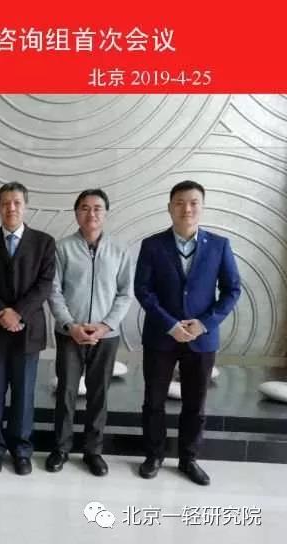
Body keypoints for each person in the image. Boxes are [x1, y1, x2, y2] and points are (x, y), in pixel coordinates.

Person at [135, 180, 240, 486]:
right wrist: (171, 324)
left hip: (202, 338)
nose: (187, 209)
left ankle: (188, 459)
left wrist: (204, 323)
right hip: (161, 336)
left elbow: (232, 290)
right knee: (154, 401)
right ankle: (154, 455)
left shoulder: (219, 245)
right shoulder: (152, 245)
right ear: (170, 208)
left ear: (202, 207)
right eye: (180, 203)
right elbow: (143, 290)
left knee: (196, 403)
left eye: (193, 202)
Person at [46, 189, 133, 476]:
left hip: (105, 336)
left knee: (99, 394)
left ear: (105, 213)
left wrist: (105, 325)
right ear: (76, 213)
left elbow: (125, 293)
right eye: (84, 208)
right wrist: (71, 325)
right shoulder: (62, 248)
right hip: (69, 334)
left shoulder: (120, 250)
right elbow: (54, 291)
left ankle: (93, 451)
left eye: (97, 208)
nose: (91, 213)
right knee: (66, 392)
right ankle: (60, 448)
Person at [0, 182, 55, 475]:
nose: (11, 208)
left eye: (17, 202)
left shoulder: (44, 242)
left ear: (25, 206)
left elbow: (44, 284)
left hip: (28, 331)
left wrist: (17, 312)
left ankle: (21, 450)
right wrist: (2, 312)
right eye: (5, 203)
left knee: (24, 395)